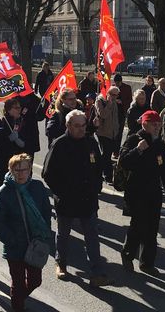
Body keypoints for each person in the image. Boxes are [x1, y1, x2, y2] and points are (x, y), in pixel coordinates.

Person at [42, 110, 112, 287]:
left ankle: (97, 272)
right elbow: (47, 174)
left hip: (88, 200)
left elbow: (98, 167)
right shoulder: (59, 144)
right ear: (68, 126)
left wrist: (96, 187)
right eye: (77, 126)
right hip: (66, 200)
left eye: (83, 125)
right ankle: (61, 263)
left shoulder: (90, 142)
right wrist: (61, 193)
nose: (81, 129)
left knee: (92, 237)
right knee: (63, 234)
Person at [118, 110, 165, 275]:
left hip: (153, 193)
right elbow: (123, 162)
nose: (157, 127)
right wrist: (137, 151)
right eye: (153, 124)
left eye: (159, 124)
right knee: (137, 226)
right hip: (136, 192)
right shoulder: (133, 139)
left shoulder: (159, 144)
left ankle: (146, 263)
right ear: (144, 124)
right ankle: (128, 254)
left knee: (152, 229)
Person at [0, 153, 51, 312]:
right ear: (10, 170)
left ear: (30, 169)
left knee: (35, 281)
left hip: (36, 244)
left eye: (24, 169)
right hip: (15, 247)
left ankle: (17, 299)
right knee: (18, 283)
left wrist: (46, 235)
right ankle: (18, 306)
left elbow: (46, 212)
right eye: (16, 170)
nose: (21, 173)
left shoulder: (37, 187)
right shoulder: (3, 193)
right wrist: (12, 241)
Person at [0, 98, 28, 188]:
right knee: (3, 184)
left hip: (16, 158)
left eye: (19, 107)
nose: (19, 110)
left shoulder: (20, 120)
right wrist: (9, 139)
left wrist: (20, 141)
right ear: (9, 110)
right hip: (3, 160)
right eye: (16, 108)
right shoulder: (1, 122)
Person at [95, 86, 121, 184]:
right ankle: (107, 176)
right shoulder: (100, 101)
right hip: (103, 132)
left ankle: (100, 172)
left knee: (107, 154)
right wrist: (109, 104)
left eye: (117, 95)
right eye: (113, 94)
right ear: (108, 93)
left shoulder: (114, 102)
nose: (115, 97)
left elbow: (115, 117)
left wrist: (117, 128)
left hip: (112, 133)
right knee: (106, 155)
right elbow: (103, 114)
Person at [112, 73, 132, 154]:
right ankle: (113, 148)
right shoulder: (112, 87)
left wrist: (122, 102)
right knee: (113, 131)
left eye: (118, 83)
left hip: (122, 112)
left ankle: (116, 150)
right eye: (116, 83)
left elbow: (129, 100)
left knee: (119, 131)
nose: (117, 84)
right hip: (113, 112)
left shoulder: (127, 88)